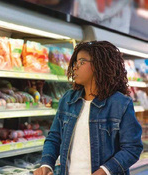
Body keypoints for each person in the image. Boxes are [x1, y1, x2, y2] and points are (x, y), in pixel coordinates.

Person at [33, 41, 143, 175]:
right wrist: (46, 164)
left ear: (99, 66)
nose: (75, 67)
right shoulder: (68, 100)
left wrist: (105, 171)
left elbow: (132, 148)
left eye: (81, 62)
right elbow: (54, 138)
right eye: (75, 63)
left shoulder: (120, 104)